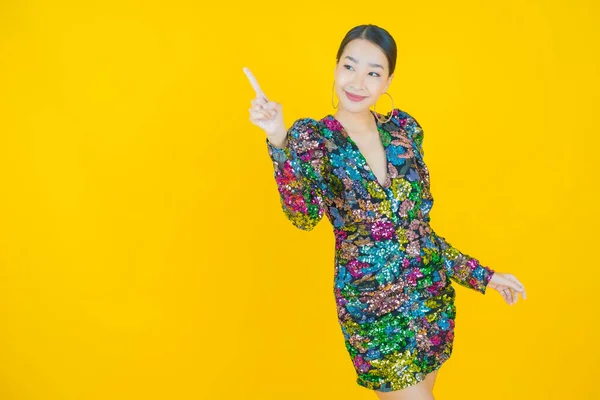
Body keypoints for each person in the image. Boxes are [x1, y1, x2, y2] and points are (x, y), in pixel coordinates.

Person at [244, 24, 526, 400]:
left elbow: (418, 231)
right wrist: (279, 140)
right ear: (336, 68)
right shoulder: (313, 138)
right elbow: (304, 216)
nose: (358, 82)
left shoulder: (404, 130)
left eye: (373, 72)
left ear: (387, 79)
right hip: (371, 308)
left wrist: (483, 276)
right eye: (350, 67)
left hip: (428, 300)